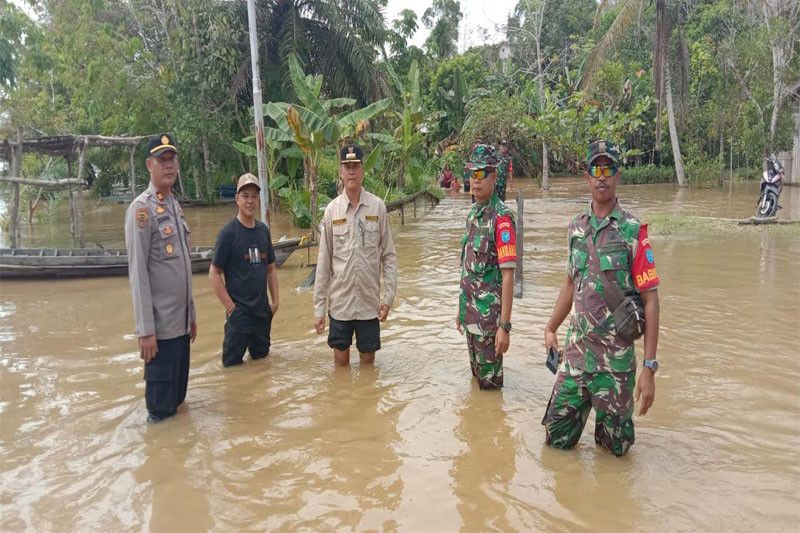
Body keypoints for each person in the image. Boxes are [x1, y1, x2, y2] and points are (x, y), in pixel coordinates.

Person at [542, 139, 661, 457]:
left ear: (618, 175)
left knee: (615, 457)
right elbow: (569, 285)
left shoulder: (633, 232)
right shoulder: (575, 229)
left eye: (608, 169)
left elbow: (650, 300)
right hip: (576, 361)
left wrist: (649, 368)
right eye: (596, 169)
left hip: (616, 370)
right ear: (587, 176)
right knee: (554, 445)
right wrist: (551, 327)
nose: (602, 176)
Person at [125, 133, 197, 423]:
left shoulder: (174, 206)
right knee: (160, 414)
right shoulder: (141, 211)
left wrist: (191, 314)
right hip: (159, 333)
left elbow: (182, 268)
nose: (169, 166)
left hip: (180, 329)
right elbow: (138, 272)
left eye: (172, 159)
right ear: (149, 165)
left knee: (178, 403)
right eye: (162, 160)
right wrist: (145, 330)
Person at [313, 144, 398, 366]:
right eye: (347, 166)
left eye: (355, 166)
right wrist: (319, 309)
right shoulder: (332, 211)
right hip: (340, 305)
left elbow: (388, 256)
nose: (351, 171)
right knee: (340, 368)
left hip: (370, 305)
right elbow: (323, 263)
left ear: (362, 170)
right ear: (340, 171)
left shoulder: (377, 207)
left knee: (369, 368)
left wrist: (388, 298)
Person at [456, 144, 517, 389]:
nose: (476, 180)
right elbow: (468, 269)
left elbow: (508, 275)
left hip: (489, 323)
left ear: (494, 177)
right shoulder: (473, 214)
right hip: (471, 316)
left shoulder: (501, 219)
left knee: (490, 390)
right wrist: (460, 310)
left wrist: (505, 327)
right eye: (473, 174)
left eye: (482, 174)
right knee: (476, 386)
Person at [209, 173, 279, 367]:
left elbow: (271, 268)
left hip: (262, 313)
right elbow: (214, 274)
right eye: (245, 195)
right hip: (239, 314)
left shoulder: (263, 231)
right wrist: (231, 308)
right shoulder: (228, 234)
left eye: (254, 196)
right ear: (237, 199)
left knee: (262, 366)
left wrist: (275, 302)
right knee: (232, 369)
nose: (250, 201)